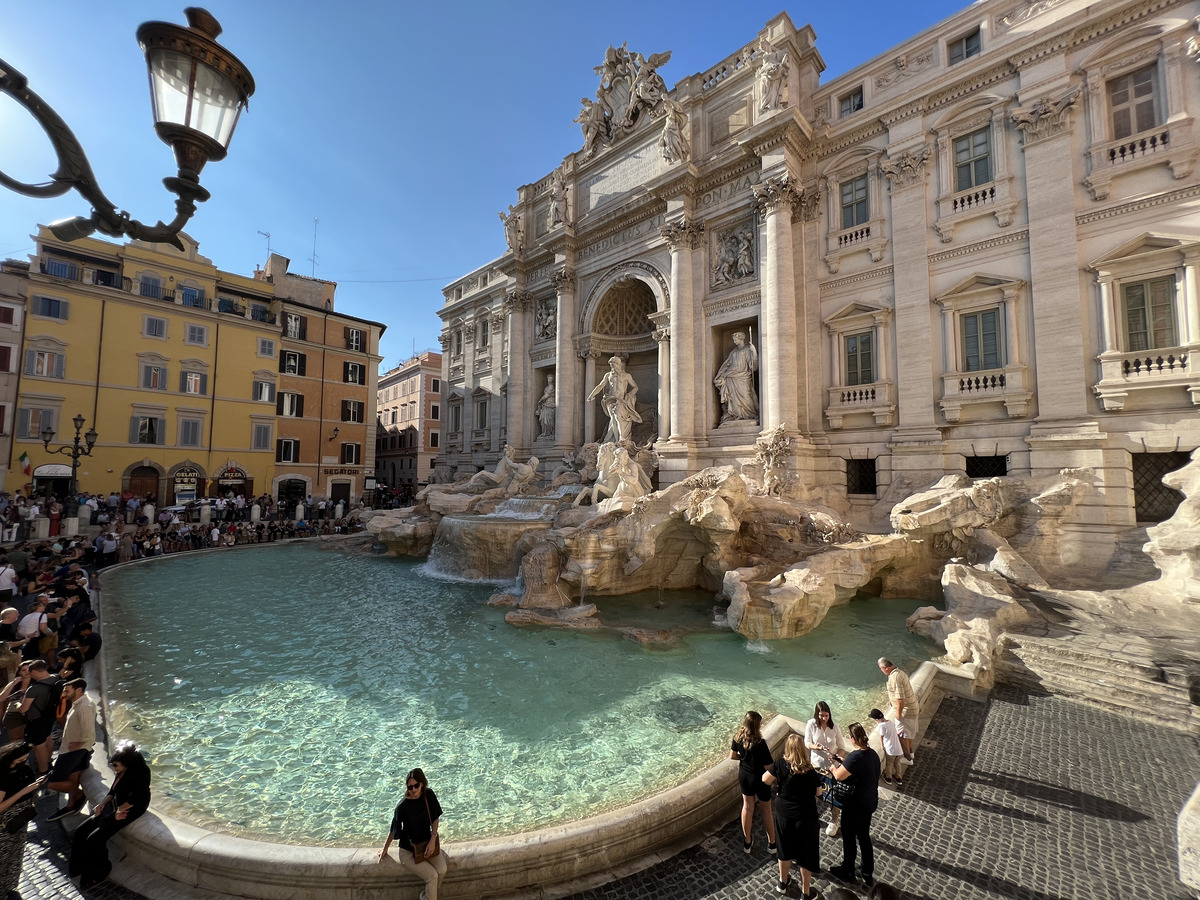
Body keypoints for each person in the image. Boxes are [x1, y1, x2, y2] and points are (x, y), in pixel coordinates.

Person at [70, 742, 151, 889]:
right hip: (117, 805)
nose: (113, 768)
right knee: (81, 831)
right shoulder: (121, 771)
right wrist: (102, 804)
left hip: (131, 808)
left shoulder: (140, 773)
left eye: (115, 765)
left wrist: (118, 812)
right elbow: (113, 791)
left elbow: (137, 799)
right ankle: (77, 867)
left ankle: (100, 871)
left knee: (94, 839)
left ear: (126, 764)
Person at [762, 733, 823, 898]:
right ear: (802, 749)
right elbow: (818, 792)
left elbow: (765, 779)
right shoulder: (810, 771)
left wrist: (779, 782)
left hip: (784, 815)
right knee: (806, 855)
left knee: (784, 849)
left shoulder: (781, 764)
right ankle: (806, 892)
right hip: (806, 817)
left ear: (787, 749)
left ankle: (782, 883)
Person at [377, 767, 447, 900]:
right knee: (432, 876)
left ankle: (427, 896)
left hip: (427, 845)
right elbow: (393, 830)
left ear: (422, 783)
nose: (414, 790)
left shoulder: (428, 795)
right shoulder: (402, 807)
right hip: (408, 852)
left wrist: (433, 839)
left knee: (442, 870)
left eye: (416, 785)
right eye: (410, 787)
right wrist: (385, 849)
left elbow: (435, 817)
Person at [828, 722, 881, 888]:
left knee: (849, 836)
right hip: (869, 801)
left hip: (855, 805)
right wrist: (845, 762)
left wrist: (833, 767)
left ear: (852, 739)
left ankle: (848, 869)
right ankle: (867, 871)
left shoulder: (855, 757)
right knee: (864, 837)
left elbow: (839, 776)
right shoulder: (872, 754)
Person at [0, 742, 46, 898]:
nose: (23, 762)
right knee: (3, 857)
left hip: (21, 820)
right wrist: (25, 791)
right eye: (20, 759)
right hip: (5, 824)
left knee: (15, 855)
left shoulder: (24, 769)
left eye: (26, 758)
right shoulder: (3, 775)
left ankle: (8, 888)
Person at [45, 678, 94, 820]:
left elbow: (89, 731)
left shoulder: (84, 706)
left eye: (67, 690)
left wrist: (79, 744)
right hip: (70, 748)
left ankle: (79, 794)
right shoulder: (78, 703)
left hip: (73, 750)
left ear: (78, 690)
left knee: (53, 783)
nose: (64, 693)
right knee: (72, 779)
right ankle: (71, 805)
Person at [729, 710, 776, 854]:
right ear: (756, 726)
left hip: (745, 776)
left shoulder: (737, 737)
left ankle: (747, 842)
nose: (762, 725)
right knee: (766, 810)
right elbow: (769, 767)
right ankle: (772, 844)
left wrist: (744, 760)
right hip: (760, 778)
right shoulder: (760, 743)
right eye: (760, 723)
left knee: (747, 808)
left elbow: (733, 756)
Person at [805, 700, 846, 836]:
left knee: (835, 794)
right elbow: (807, 742)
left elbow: (842, 747)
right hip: (816, 765)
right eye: (821, 716)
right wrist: (816, 747)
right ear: (817, 715)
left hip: (832, 767)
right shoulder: (811, 724)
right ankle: (811, 817)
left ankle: (835, 821)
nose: (824, 718)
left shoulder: (835, 727)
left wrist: (835, 757)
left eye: (826, 715)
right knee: (813, 793)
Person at [587, 356, 642, 444]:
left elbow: (636, 387)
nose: (613, 367)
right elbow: (600, 386)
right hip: (610, 399)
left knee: (617, 416)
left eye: (615, 364)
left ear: (619, 364)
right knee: (613, 418)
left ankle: (621, 438)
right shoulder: (608, 375)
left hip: (621, 400)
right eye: (611, 365)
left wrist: (628, 396)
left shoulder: (626, 376)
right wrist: (591, 395)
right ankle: (616, 440)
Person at [878, 657, 919, 760]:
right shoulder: (899, 673)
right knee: (908, 734)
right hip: (911, 709)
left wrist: (898, 714)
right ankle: (911, 753)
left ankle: (907, 758)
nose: (881, 671)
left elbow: (900, 699)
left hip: (906, 712)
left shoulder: (895, 677)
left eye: (881, 669)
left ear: (885, 668)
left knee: (902, 736)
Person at [714, 332, 759, 423]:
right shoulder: (734, 351)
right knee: (732, 398)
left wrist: (753, 351)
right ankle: (736, 414)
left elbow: (753, 366)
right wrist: (722, 375)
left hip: (743, 377)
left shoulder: (747, 350)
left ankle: (749, 414)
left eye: (735, 339)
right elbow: (727, 364)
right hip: (730, 376)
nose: (734, 342)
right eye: (733, 340)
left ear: (741, 339)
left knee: (746, 396)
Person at [867, 708, 905, 786]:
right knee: (897, 763)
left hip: (891, 750)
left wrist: (882, 745)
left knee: (889, 764)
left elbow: (881, 736)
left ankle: (888, 778)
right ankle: (898, 778)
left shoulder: (881, 725)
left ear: (876, 719)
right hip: (898, 748)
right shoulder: (890, 722)